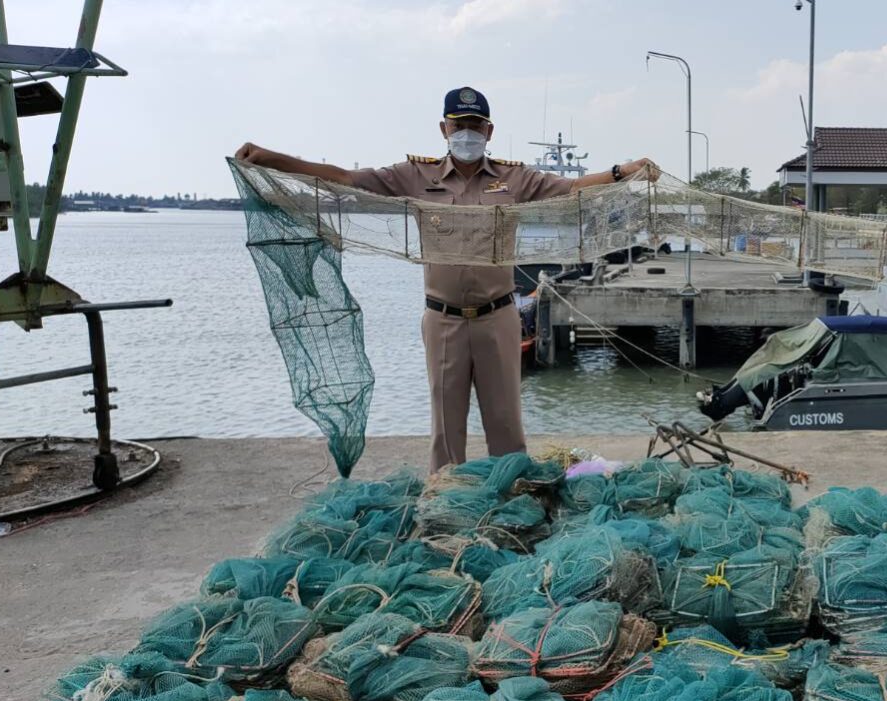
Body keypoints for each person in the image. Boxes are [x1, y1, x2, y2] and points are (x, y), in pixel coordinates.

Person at [235, 86, 657, 471]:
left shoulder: (514, 178)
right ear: (444, 129)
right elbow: (345, 179)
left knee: (506, 426)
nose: (467, 133)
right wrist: (272, 159)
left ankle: (511, 499)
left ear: (489, 131)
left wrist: (622, 172)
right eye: (459, 125)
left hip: (499, 319)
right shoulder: (415, 176)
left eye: (476, 125)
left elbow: (572, 188)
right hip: (442, 321)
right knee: (445, 430)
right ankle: (445, 503)